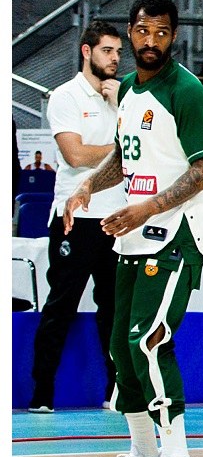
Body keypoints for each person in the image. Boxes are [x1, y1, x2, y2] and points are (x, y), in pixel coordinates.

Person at [63, 0, 203, 457]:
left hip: (175, 236)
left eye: (161, 32)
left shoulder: (186, 91)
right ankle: (143, 454)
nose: (151, 41)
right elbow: (123, 156)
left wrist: (147, 209)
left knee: (149, 342)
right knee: (120, 346)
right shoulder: (129, 88)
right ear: (130, 32)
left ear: (174, 36)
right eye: (142, 31)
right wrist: (89, 185)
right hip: (133, 236)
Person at [28, 22, 126, 415]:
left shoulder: (126, 97)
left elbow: (145, 148)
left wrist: (122, 108)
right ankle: (42, 393)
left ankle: (115, 391)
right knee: (61, 305)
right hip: (76, 215)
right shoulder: (65, 95)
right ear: (87, 51)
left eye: (118, 52)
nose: (115, 59)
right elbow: (75, 155)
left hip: (118, 216)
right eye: (107, 50)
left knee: (114, 308)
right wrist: (121, 149)